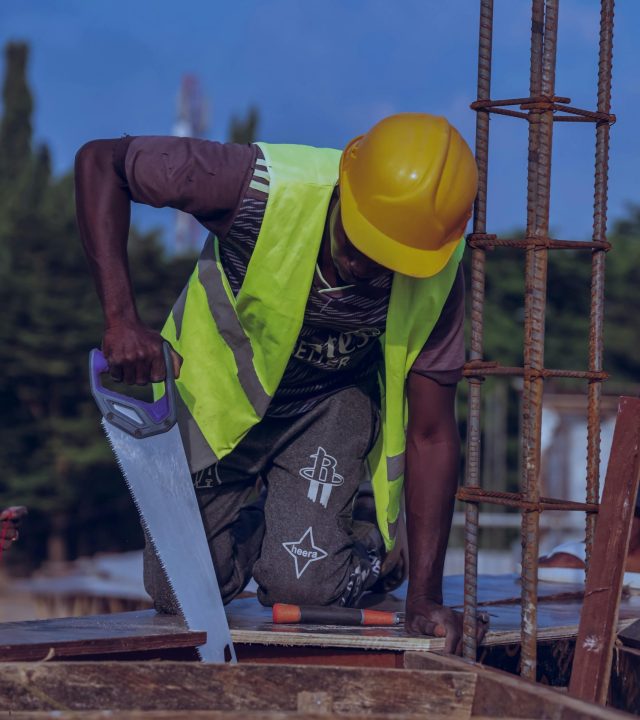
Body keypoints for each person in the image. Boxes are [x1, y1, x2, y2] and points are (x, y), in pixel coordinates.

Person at [75, 112, 488, 653]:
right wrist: (121, 319)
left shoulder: (438, 273)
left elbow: (432, 434)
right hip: (221, 396)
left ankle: (366, 544)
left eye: (391, 260)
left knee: (304, 583)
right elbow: (101, 162)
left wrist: (426, 595)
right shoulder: (258, 187)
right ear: (345, 187)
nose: (367, 267)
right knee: (181, 587)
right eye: (360, 243)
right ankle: (264, 524)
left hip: (329, 404)